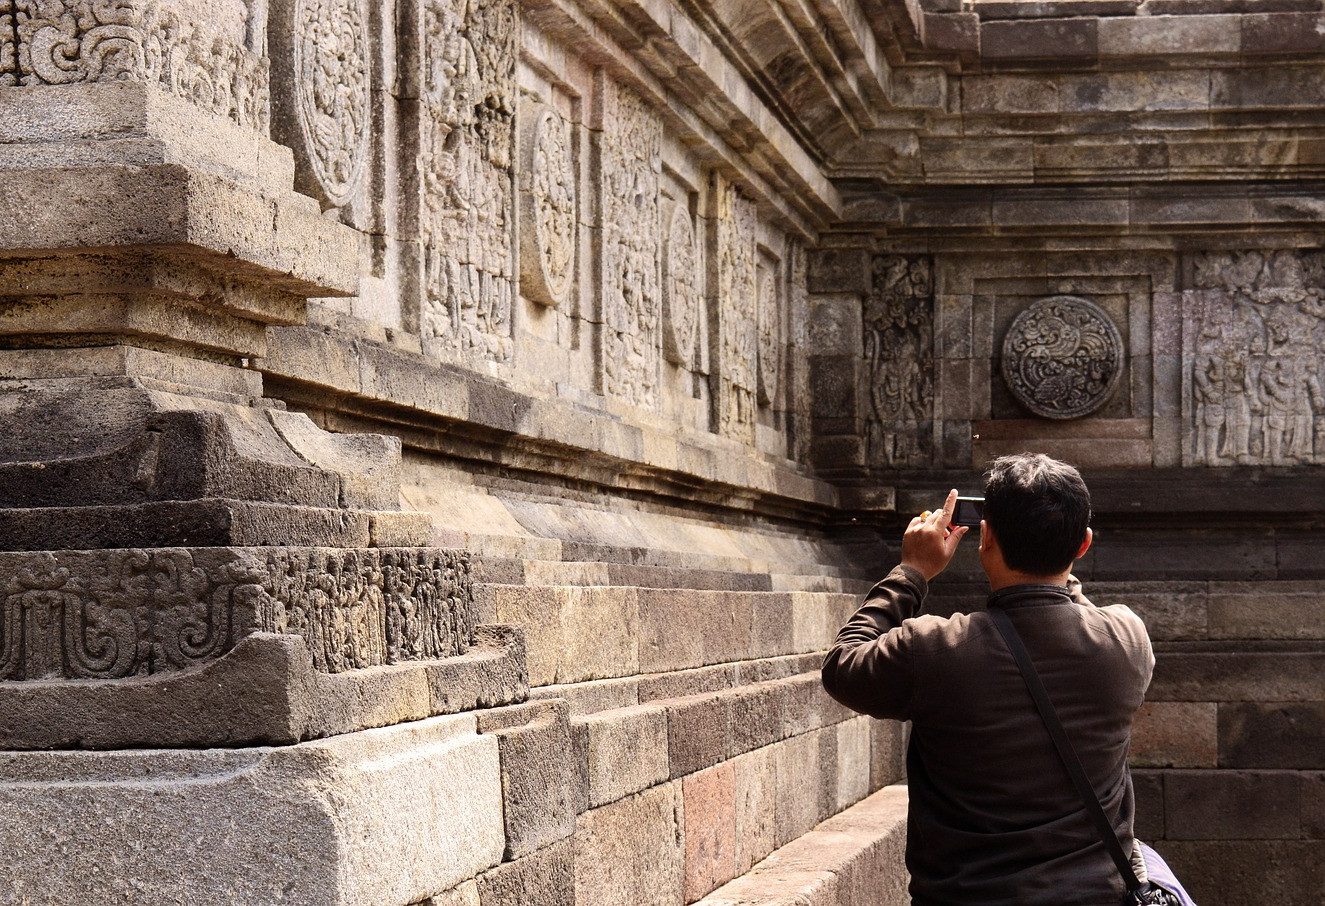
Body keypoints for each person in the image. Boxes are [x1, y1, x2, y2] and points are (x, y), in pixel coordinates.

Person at [822, 454, 1154, 905]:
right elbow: (1071, 606)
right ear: (1083, 545)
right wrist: (1054, 557)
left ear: (986, 538)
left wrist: (912, 573)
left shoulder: (935, 649)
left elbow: (843, 665)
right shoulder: (1128, 639)